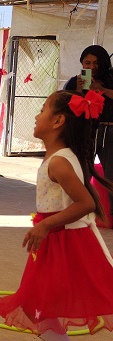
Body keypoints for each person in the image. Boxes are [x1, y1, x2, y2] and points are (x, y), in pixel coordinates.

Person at [0, 90, 113, 341]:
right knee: (51, 300)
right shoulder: (60, 156)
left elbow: (86, 203)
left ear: (59, 120)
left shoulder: (59, 161)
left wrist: (45, 225)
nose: (36, 115)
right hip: (60, 241)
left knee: (36, 305)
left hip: (67, 244)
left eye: (43, 109)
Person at [64, 45, 113, 218]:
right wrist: (78, 91)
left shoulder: (111, 79)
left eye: (96, 63)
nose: (91, 67)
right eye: (87, 63)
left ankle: (110, 216)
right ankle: (75, 212)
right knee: (79, 171)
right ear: (82, 63)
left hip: (109, 131)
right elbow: (64, 106)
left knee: (111, 174)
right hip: (83, 133)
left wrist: (104, 90)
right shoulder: (74, 81)